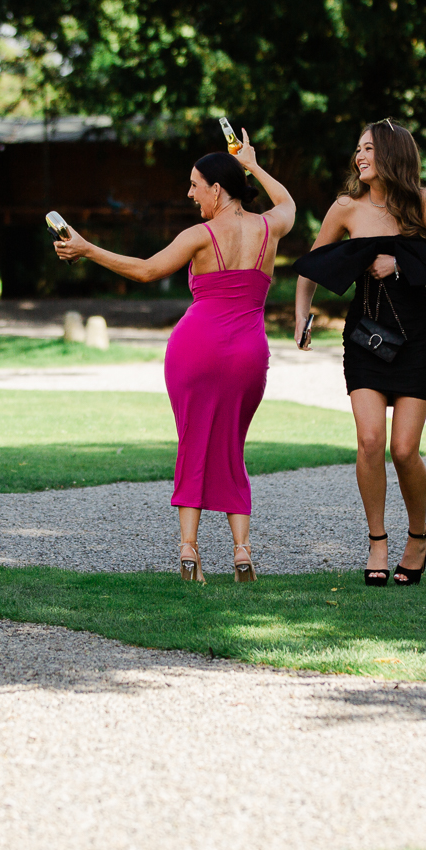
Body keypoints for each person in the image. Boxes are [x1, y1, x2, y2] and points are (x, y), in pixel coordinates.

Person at [53, 132, 295, 581]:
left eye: (194, 185)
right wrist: (253, 164)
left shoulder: (198, 235)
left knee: (193, 442)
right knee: (231, 446)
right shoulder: (270, 227)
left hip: (195, 348)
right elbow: (289, 204)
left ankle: (188, 550)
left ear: (216, 190)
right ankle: (242, 551)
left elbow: (145, 270)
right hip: (248, 352)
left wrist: (87, 249)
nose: (189, 193)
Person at [291, 120, 426, 587]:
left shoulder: (423, 202)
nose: (358, 156)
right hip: (365, 338)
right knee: (370, 441)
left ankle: (418, 536)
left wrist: (402, 261)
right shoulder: (345, 208)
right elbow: (312, 264)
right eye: (357, 149)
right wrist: (301, 314)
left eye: (368, 148)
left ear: (391, 153)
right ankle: (377, 541)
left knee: (404, 449)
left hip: (418, 341)